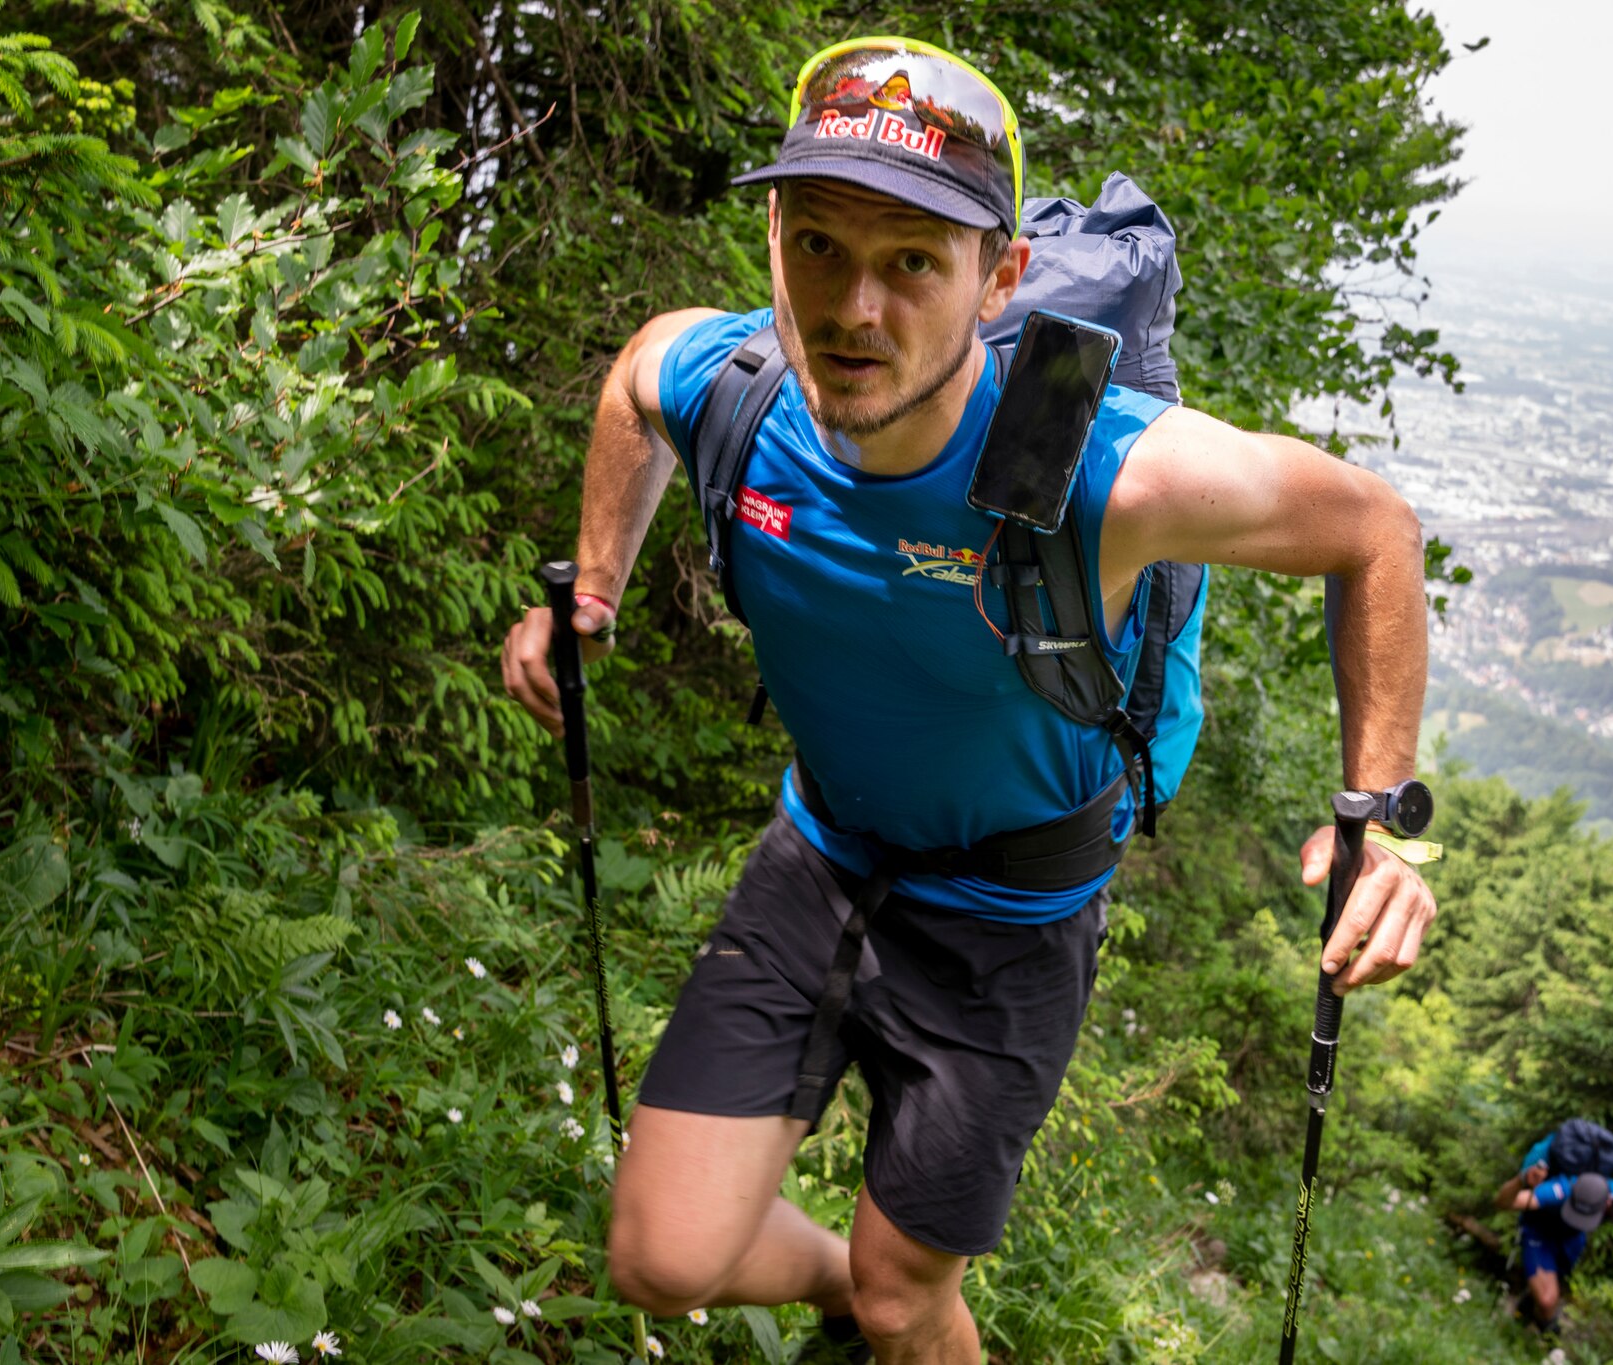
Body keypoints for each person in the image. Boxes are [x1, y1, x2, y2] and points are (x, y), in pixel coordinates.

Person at [501, 35, 1439, 1365]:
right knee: (659, 1259)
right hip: (821, 857)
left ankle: (889, 1305)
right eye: (817, 245)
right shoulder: (732, 388)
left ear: (998, 280)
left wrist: (1380, 821)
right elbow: (632, 382)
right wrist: (590, 596)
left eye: (912, 264)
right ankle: (844, 1292)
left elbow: (1375, 530)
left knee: (910, 1293)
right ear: (770, 235)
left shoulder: (1105, 473)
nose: (853, 309)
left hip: (1013, 915)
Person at [1495, 1143, 1613, 1333]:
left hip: (1572, 1240)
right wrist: (1521, 1180)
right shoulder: (1560, 1189)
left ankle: (1529, 1308)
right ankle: (1547, 1335)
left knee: (1555, 1285)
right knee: (1547, 1299)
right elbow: (1504, 1202)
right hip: (1539, 1233)